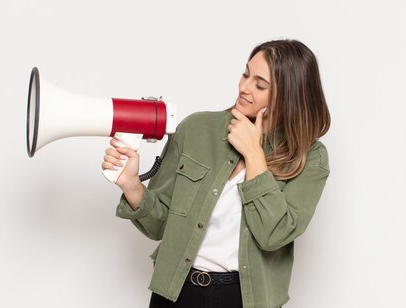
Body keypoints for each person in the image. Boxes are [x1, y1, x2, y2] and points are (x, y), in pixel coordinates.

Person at [102, 39, 331, 308]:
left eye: (260, 85)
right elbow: (160, 225)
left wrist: (254, 154)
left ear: (289, 95)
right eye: (246, 74)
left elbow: (274, 235)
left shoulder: (309, 156)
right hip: (175, 293)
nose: (244, 87)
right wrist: (132, 186)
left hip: (246, 299)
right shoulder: (197, 129)